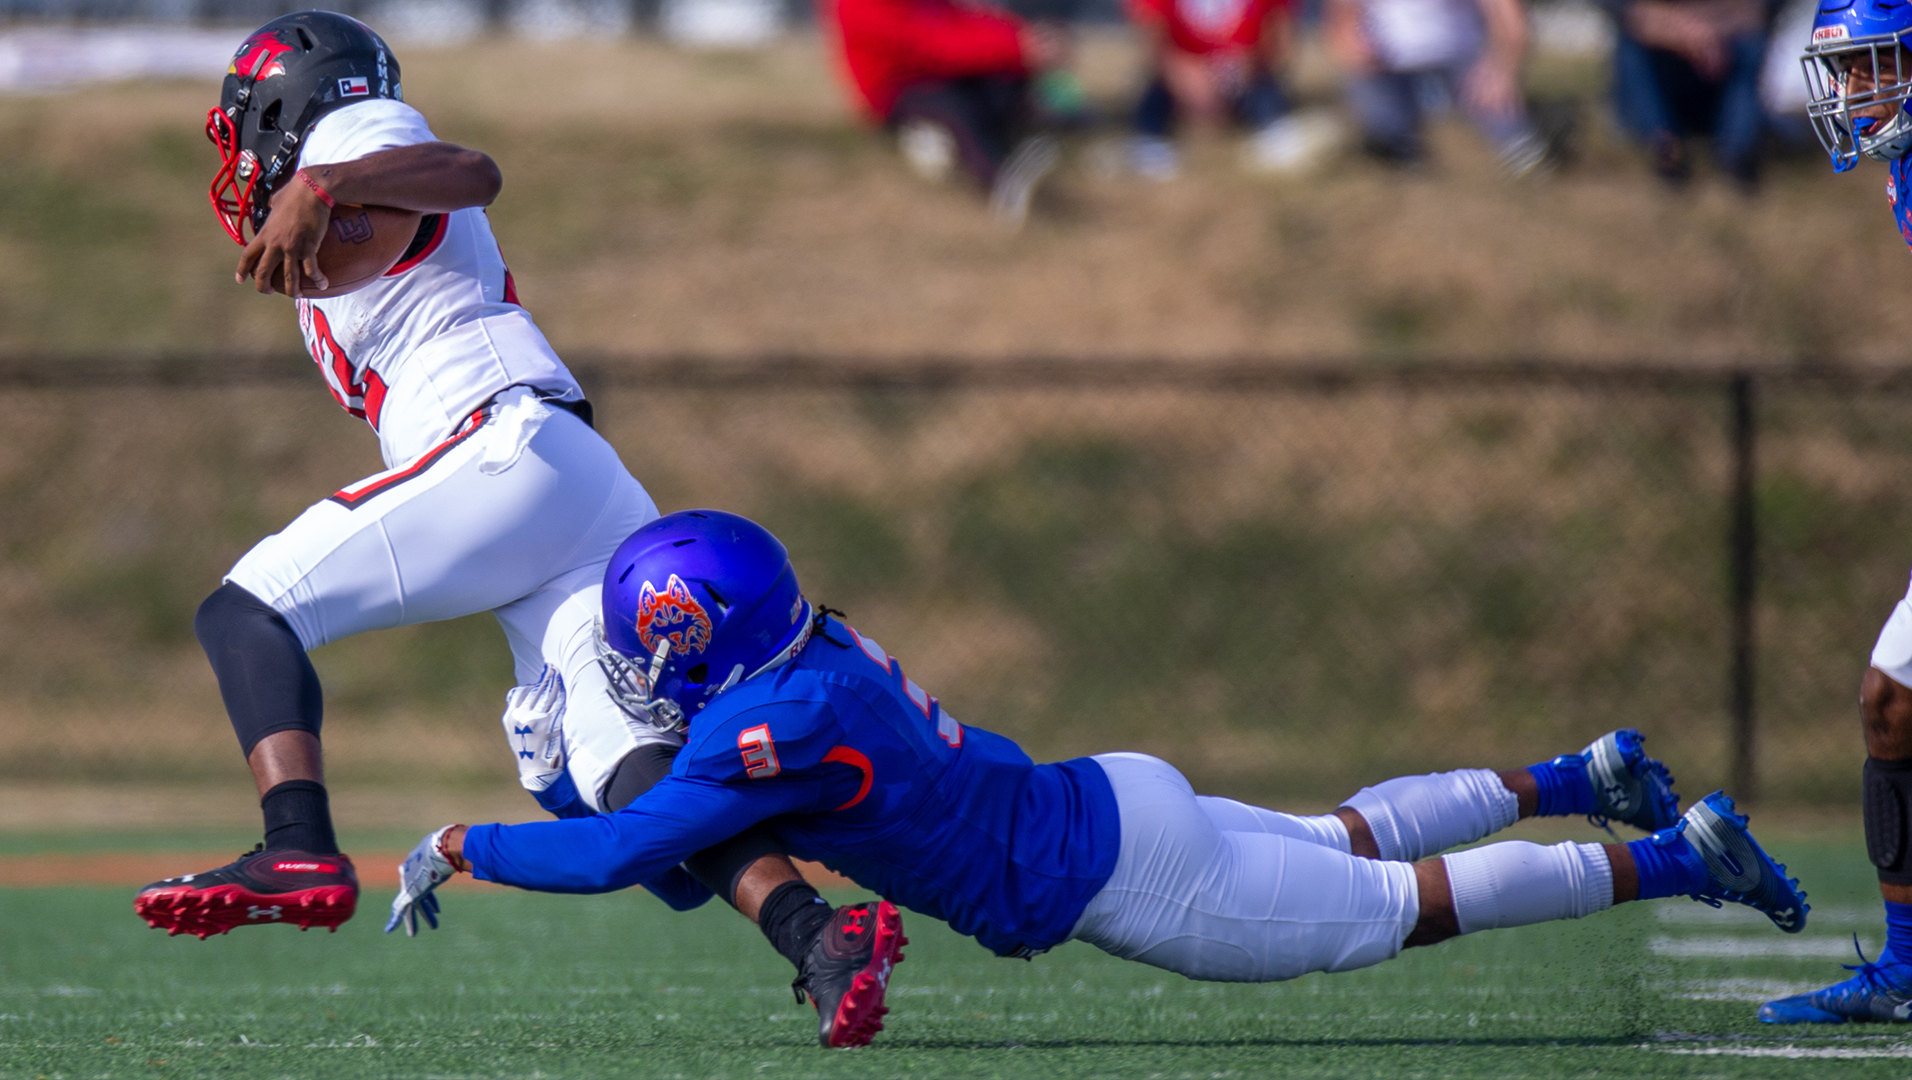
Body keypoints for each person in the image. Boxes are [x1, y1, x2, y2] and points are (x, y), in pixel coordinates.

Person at [131, 12, 894, 1046]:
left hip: (502, 447)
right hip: (558, 481)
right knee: (623, 770)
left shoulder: (352, 137)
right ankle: (816, 935)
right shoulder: (343, 193)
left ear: (282, 108)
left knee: (250, 611)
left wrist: (322, 184)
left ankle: (296, 844)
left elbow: (469, 171)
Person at [387, 509, 1811, 1045]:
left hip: (1115, 868)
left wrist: (470, 838)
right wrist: (578, 796)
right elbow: (682, 839)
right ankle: (1578, 771)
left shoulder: (760, 733)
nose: (641, 672)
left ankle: (1683, 856)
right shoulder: (807, 659)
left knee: (1398, 908)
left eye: (652, 646)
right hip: (1110, 793)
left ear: (700, 638)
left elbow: (637, 862)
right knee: (1351, 835)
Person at [1755, 2, 1912, 1024]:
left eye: (1872, 68)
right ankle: (1910, 971)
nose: (1855, 93)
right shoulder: (1909, 169)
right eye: (1846, 72)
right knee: (1893, 705)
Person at [821, 0, 1071, 224]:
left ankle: (1018, 134)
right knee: (952, 109)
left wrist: (1027, 38)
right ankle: (1001, 183)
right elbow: (929, 47)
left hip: (939, 75)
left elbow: (959, 20)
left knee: (1001, 83)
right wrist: (1017, 47)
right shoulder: (855, 5)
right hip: (896, 90)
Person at [1322, 0, 1550, 175]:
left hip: (1463, 63)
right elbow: (1342, 18)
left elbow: (1511, 20)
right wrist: (1355, 51)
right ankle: (1401, 158)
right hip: (1389, 69)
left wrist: (1504, 71)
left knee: (1520, 147)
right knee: (1386, 142)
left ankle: (1526, 151)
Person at [1123, 0, 1340, 178]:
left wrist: (1248, 65)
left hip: (1244, 71)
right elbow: (1151, 40)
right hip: (1183, 72)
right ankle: (1150, 145)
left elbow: (1282, 43)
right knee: (1155, 92)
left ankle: (1273, 133)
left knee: (1266, 92)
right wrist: (1185, 77)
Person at [1602, 0, 1771, 185]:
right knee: (1632, 50)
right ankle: (1665, 148)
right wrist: (1680, 32)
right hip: (1663, 67)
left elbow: (1760, 10)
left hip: (1723, 61)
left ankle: (1738, 151)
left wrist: (1709, 31)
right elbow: (1625, 9)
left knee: (1751, 46)